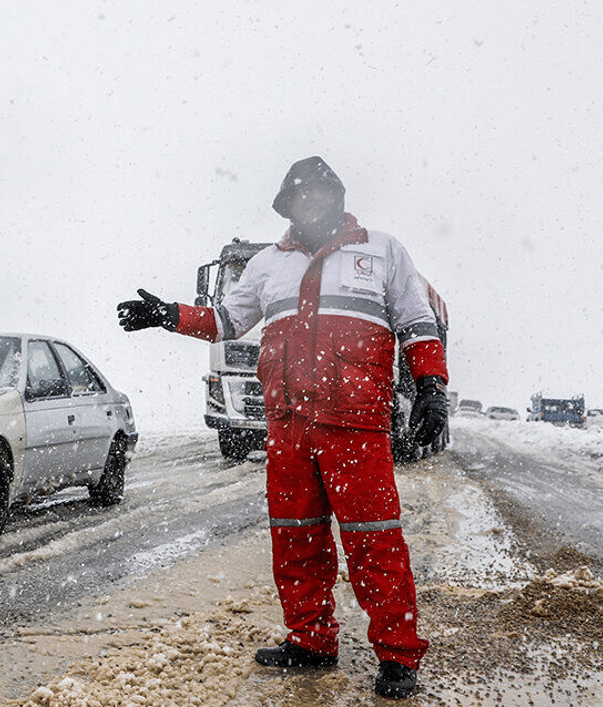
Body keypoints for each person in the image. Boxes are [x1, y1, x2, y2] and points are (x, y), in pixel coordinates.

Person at [116, 156, 448, 699]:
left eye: (320, 191)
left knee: (374, 541)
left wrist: (432, 387)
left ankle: (398, 654)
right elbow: (227, 321)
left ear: (337, 196)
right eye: (300, 194)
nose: (310, 200)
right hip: (289, 426)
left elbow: (416, 323)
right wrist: (168, 315)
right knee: (296, 539)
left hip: (356, 426)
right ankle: (311, 641)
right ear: (287, 205)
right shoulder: (267, 264)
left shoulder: (382, 250)